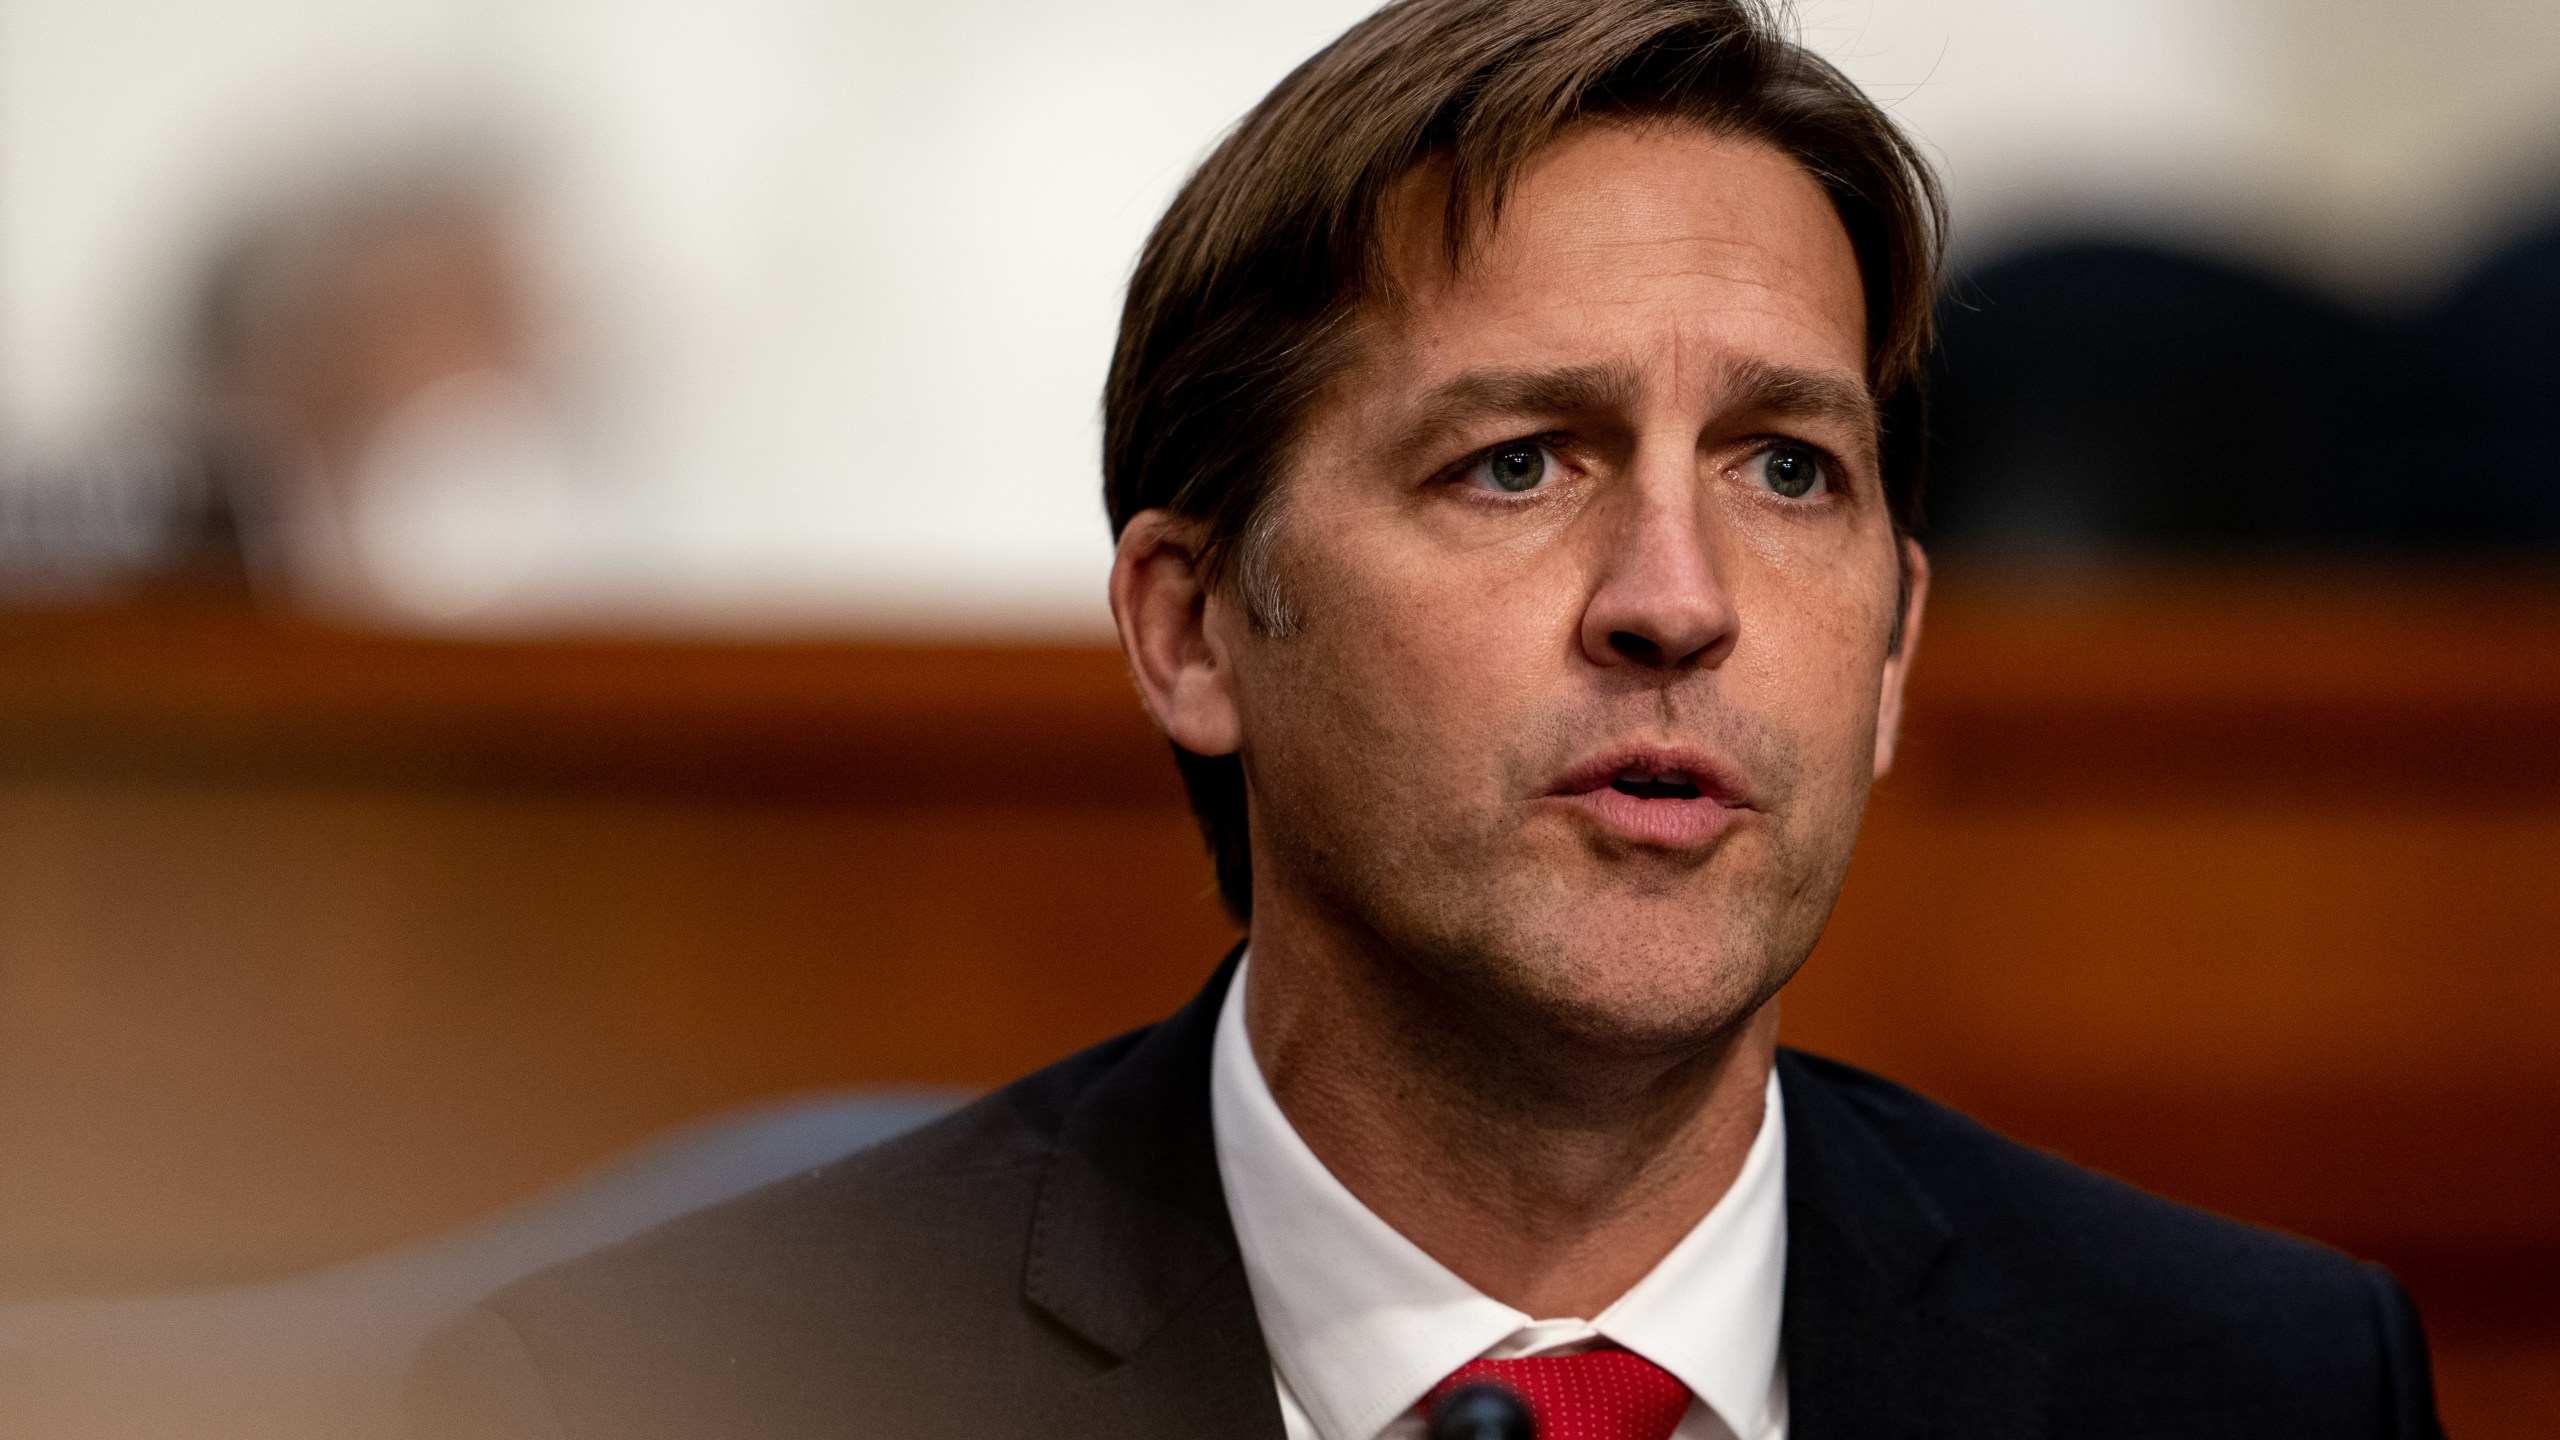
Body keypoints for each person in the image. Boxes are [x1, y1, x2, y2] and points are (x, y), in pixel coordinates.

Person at [402, 2, 2444, 1436]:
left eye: (1785, 470)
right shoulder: (660, 1397)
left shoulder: (2250, 1384)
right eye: (1517, 464)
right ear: (1192, 629)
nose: (1676, 601)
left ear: (1894, 650)